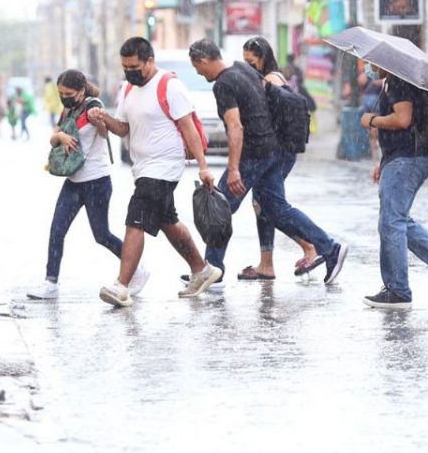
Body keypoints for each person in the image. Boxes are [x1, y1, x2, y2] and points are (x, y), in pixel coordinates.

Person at [188, 39, 349, 288]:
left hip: (252, 155)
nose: (198, 73)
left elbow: (236, 126)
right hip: (273, 151)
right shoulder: (244, 69)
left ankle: (212, 269)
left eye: (197, 67)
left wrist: (233, 169)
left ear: (204, 60)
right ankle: (330, 248)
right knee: (277, 209)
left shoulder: (223, 84)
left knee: (219, 207)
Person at [87, 37, 221, 308]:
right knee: (166, 220)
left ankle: (122, 286)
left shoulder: (169, 85)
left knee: (135, 218)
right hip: (142, 167)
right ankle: (202, 269)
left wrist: (203, 167)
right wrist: (104, 118)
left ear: (150, 61)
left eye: (135, 66)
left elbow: (189, 129)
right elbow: (123, 128)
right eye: (125, 67)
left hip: (165, 166)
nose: (130, 72)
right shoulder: (127, 88)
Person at [359, 63, 428, 308]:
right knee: (395, 221)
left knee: (392, 222)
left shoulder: (399, 81)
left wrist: (372, 120)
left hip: (407, 159)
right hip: (402, 159)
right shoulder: (397, 81)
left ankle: (398, 291)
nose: (369, 66)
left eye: (372, 62)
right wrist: (384, 161)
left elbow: (403, 120)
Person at [28, 70, 138, 300]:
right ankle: (50, 283)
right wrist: (62, 138)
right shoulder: (68, 109)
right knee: (57, 230)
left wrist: (100, 121)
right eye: (60, 93)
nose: (64, 97)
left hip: (97, 182)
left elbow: (103, 133)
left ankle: (136, 267)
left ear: (81, 90)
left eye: (68, 93)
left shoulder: (93, 106)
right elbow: (53, 137)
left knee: (101, 235)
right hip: (73, 181)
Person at [239, 36, 322, 279]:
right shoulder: (265, 79)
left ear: (263, 58)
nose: (247, 65)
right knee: (263, 205)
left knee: (271, 206)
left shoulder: (271, 81)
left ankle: (312, 246)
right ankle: (267, 263)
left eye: (251, 61)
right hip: (275, 151)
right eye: (244, 61)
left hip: (278, 152)